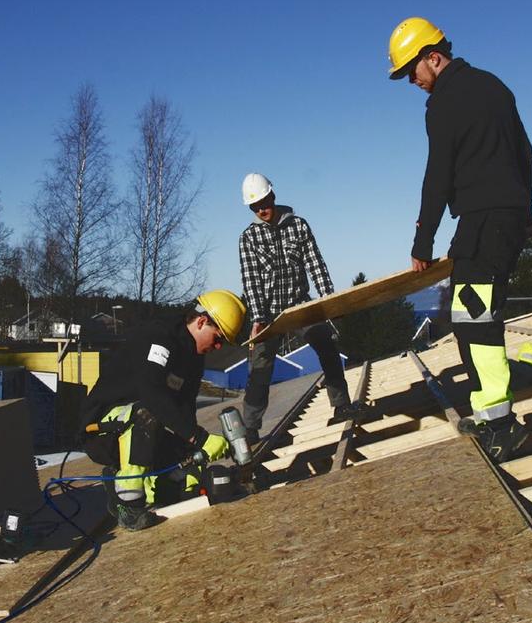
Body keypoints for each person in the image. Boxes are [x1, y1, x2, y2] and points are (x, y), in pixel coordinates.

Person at [387, 16, 532, 463]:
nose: (411, 80)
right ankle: (488, 413)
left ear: (434, 57)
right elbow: (525, 153)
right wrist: (522, 206)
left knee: (475, 317)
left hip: (484, 219)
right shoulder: (495, 86)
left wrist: (422, 240)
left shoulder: (445, 103)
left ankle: (502, 424)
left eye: (412, 70)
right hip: (505, 217)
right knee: (469, 309)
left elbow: (439, 174)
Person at [79, 289, 246, 530]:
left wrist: (191, 452)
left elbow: (184, 408)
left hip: (141, 432)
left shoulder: (193, 356)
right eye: (217, 338)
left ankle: (124, 482)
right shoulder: (160, 337)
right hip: (101, 429)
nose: (218, 347)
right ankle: (129, 505)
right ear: (201, 322)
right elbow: (152, 393)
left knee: (178, 479)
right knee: (145, 413)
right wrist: (200, 438)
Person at [238, 173, 371, 443]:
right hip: (270, 315)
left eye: (264, 202)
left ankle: (341, 405)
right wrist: (259, 318)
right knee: (260, 368)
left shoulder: (298, 226)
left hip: (300, 306)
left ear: (273, 196)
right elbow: (251, 281)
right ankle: (251, 429)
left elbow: (315, 264)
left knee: (327, 345)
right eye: (255, 207)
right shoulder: (248, 238)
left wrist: (329, 301)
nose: (262, 210)